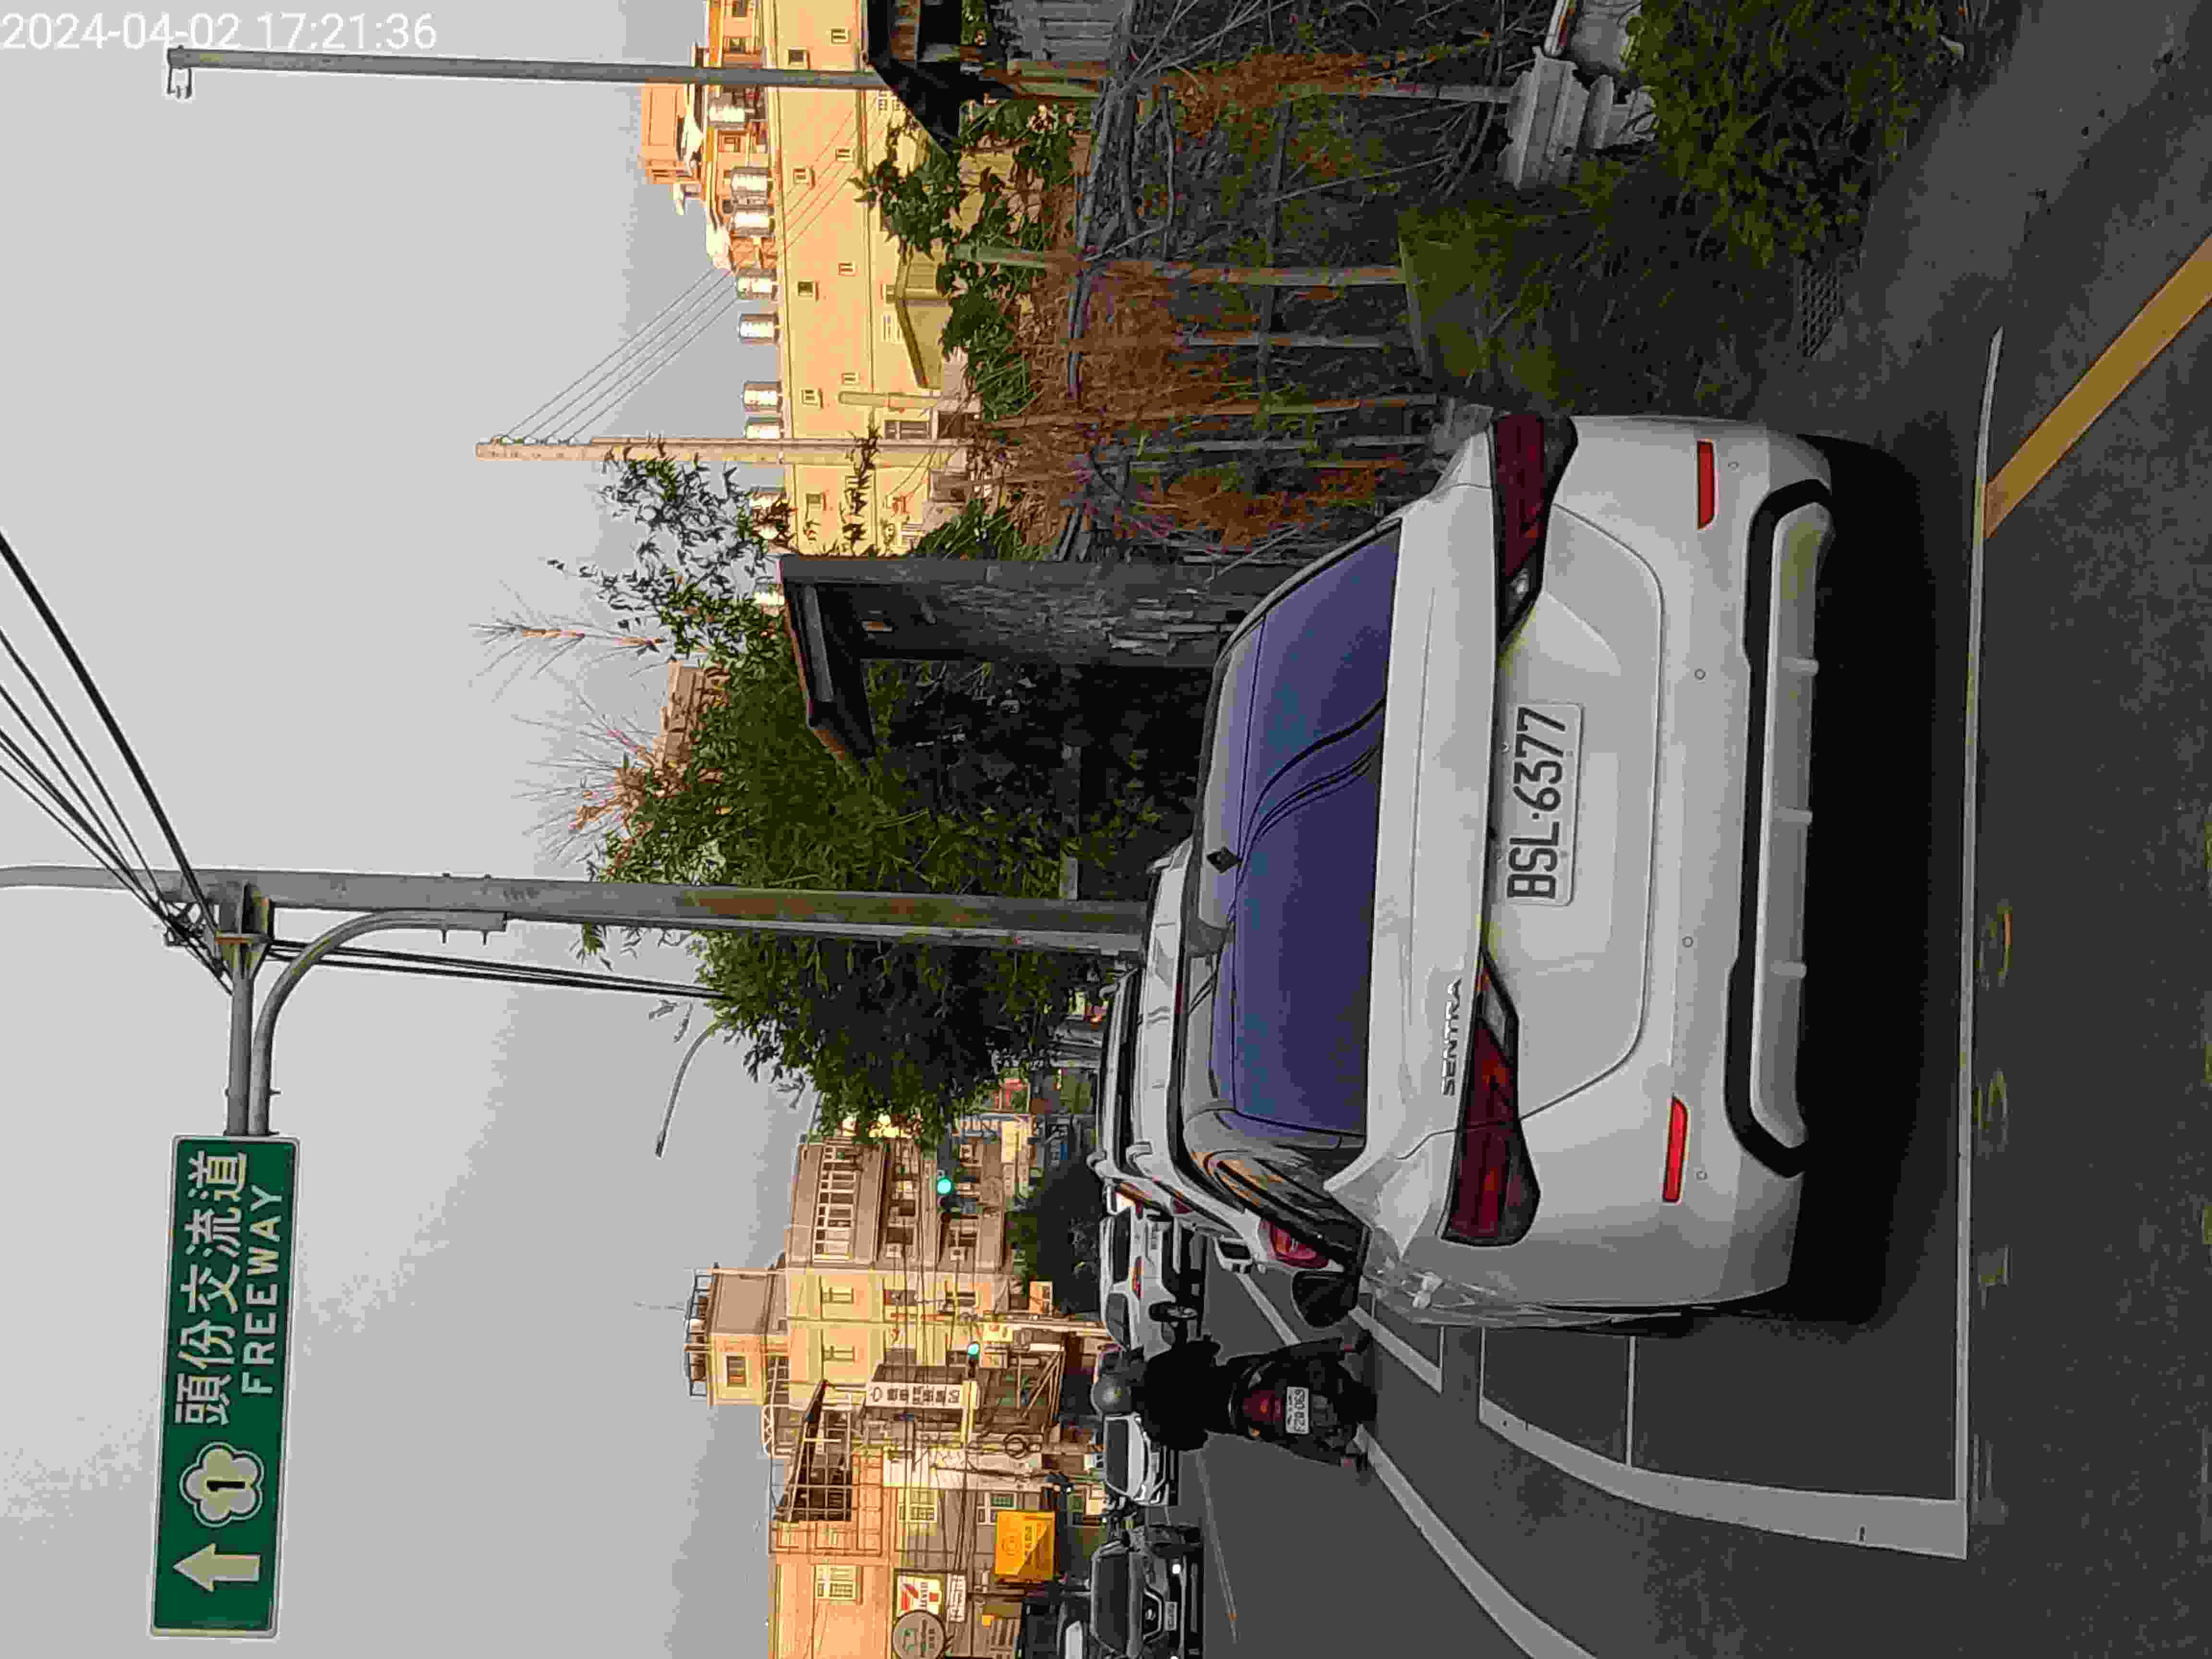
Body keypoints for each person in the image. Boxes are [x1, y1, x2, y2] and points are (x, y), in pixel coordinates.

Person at [1092, 1331, 1376, 1474]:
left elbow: (1195, 1440)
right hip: (1240, 1380)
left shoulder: (1155, 1428)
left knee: (1286, 1440)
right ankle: (1346, 1345)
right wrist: (1207, 1347)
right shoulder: (1157, 1368)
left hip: (1237, 1419)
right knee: (1287, 1357)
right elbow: (1201, 1351)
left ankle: (1342, 1460)